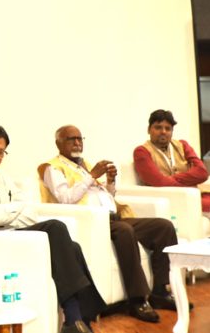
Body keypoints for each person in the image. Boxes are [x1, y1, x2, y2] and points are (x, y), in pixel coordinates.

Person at [0, 122, 105, 333]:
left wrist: (2, 210)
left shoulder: (2, 176)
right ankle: (76, 319)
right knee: (55, 228)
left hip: (10, 234)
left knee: (73, 247)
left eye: (1, 152)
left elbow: (29, 210)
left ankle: (78, 320)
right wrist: (9, 210)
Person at [40, 125, 180, 324]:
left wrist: (110, 182)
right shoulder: (52, 168)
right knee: (125, 230)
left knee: (163, 226)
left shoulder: (83, 165)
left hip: (113, 217)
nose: (77, 143)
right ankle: (137, 300)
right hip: (92, 222)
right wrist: (92, 176)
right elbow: (65, 199)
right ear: (58, 143)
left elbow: (106, 197)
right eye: (71, 139)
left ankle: (160, 291)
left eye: (80, 138)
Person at [133, 109, 210, 212]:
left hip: (193, 194)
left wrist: (171, 178)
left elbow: (202, 172)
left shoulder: (182, 145)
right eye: (158, 127)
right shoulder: (142, 152)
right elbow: (159, 182)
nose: (163, 131)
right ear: (148, 130)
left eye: (168, 128)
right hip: (168, 199)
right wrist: (190, 181)